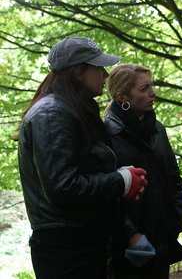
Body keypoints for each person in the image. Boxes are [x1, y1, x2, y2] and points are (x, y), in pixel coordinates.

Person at [17, 37, 148, 278]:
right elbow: (62, 188)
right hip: (68, 252)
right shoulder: (52, 114)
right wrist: (122, 181)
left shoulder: (71, 110)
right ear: (78, 72)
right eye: (98, 68)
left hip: (83, 243)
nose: (106, 75)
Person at [104, 63, 182, 278]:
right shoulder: (106, 134)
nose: (153, 93)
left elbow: (174, 178)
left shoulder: (157, 129)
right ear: (122, 97)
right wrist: (130, 233)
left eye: (151, 86)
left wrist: (176, 220)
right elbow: (106, 195)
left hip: (163, 236)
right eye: (144, 89)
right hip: (129, 246)